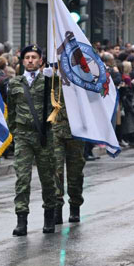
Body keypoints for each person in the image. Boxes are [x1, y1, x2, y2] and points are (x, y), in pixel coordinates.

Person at [7, 45, 58, 236]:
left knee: (48, 178)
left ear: (40, 61)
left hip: (44, 135)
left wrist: (53, 78)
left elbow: (59, 100)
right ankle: (21, 219)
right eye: (27, 57)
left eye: (34, 57)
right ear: (22, 61)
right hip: (23, 136)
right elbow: (11, 110)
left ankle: (49, 215)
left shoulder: (49, 81)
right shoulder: (15, 83)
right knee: (22, 178)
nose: (30, 60)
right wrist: (15, 132)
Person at [52, 78, 87, 225]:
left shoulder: (79, 78)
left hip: (76, 131)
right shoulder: (51, 79)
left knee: (75, 172)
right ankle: (56, 207)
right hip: (55, 131)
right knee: (56, 170)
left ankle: (75, 206)